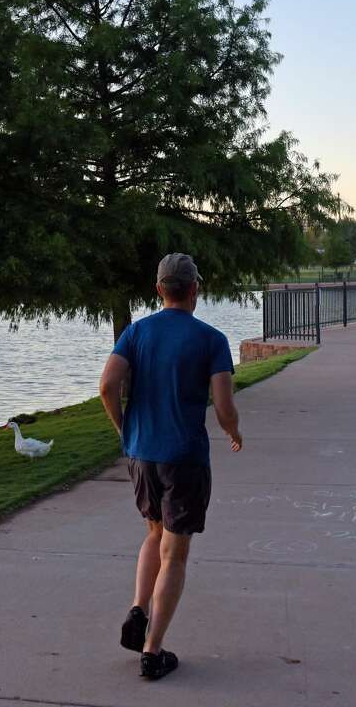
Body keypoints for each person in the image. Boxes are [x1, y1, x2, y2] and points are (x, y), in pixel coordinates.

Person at [98, 253, 243, 681]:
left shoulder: (136, 333)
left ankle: (138, 608)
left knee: (154, 533)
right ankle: (153, 650)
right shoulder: (211, 339)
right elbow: (224, 405)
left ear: (159, 289)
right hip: (184, 457)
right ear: (195, 289)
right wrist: (234, 432)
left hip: (143, 453)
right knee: (175, 554)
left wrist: (125, 430)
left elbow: (107, 385)